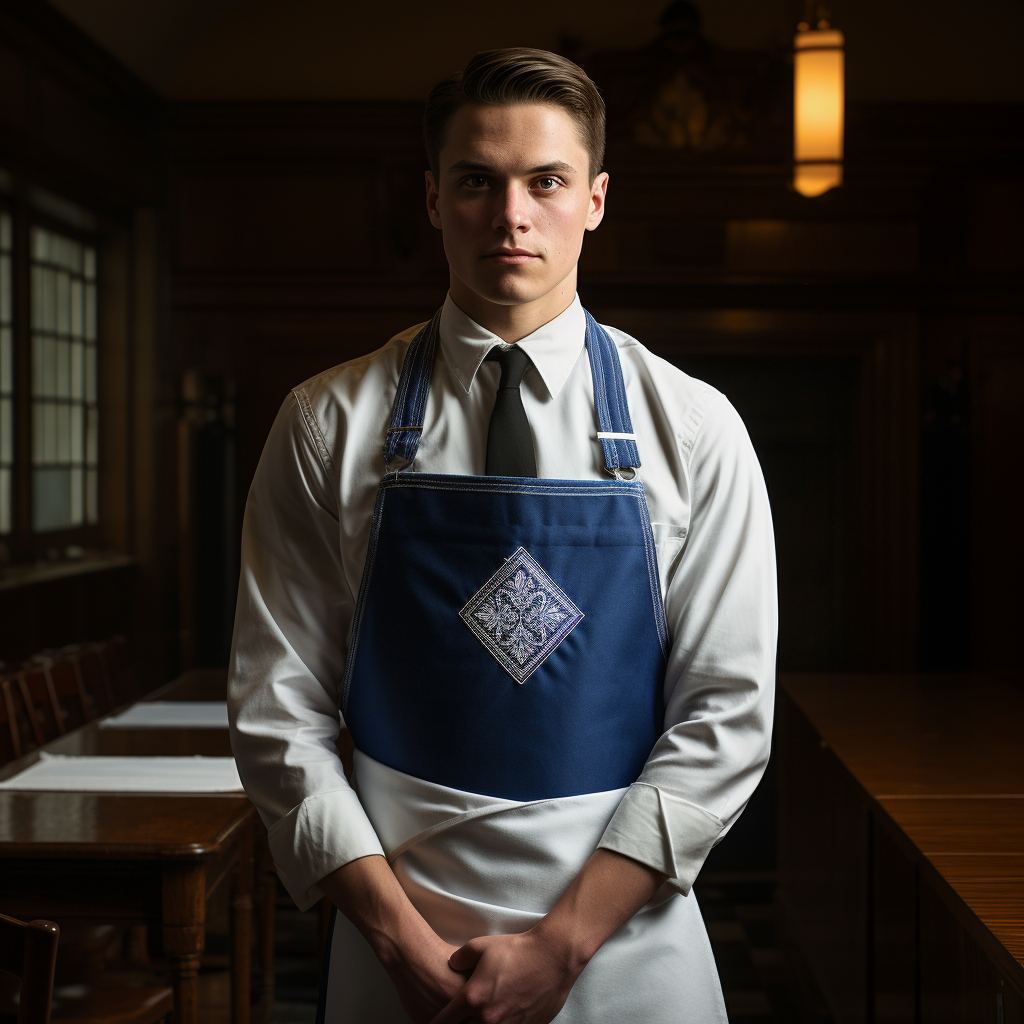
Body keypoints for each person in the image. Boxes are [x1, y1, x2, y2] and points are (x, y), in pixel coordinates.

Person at [228, 47, 777, 1024]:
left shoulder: (693, 428)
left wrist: (562, 943)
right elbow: (280, 714)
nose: (511, 214)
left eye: (546, 181)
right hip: (402, 952)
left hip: (628, 955)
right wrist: (398, 942)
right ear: (434, 198)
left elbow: (726, 717)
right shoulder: (324, 423)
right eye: (478, 181)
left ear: (596, 198)